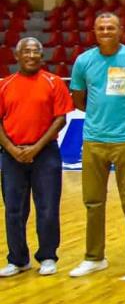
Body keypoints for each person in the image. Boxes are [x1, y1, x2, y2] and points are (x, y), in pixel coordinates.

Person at [69, 12, 125, 278]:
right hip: (94, 141)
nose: (106, 31)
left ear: (121, 31)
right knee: (93, 201)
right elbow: (78, 100)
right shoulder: (83, 61)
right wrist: (100, 118)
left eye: (111, 27)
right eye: (101, 28)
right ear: (94, 32)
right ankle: (94, 257)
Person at [0, 38, 73, 277]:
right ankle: (18, 259)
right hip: (11, 156)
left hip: (46, 154)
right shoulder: (5, 85)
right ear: (17, 56)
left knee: (48, 208)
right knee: (13, 210)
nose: (31, 55)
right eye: (26, 51)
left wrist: (35, 148)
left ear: (42, 57)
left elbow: (60, 119)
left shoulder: (54, 83)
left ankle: (48, 256)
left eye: (36, 52)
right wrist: (12, 149)